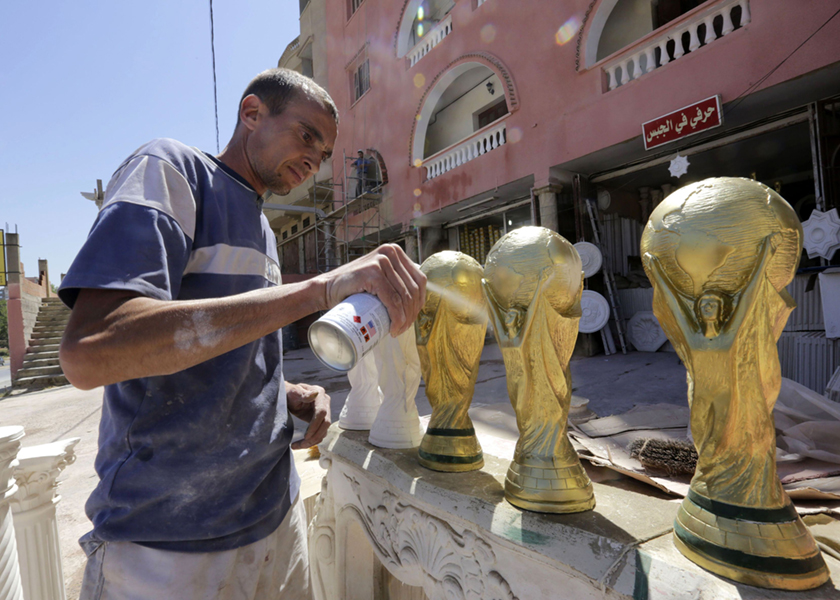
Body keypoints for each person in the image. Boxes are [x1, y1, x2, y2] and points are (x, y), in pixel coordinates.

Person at [58, 68, 426, 600]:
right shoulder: (172, 173)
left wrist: (284, 394)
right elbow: (91, 353)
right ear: (251, 113)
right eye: (306, 136)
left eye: (323, 154)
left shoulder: (263, 232)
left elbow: (216, 354)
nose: (313, 160)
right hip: (169, 546)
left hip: (275, 520)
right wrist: (320, 289)